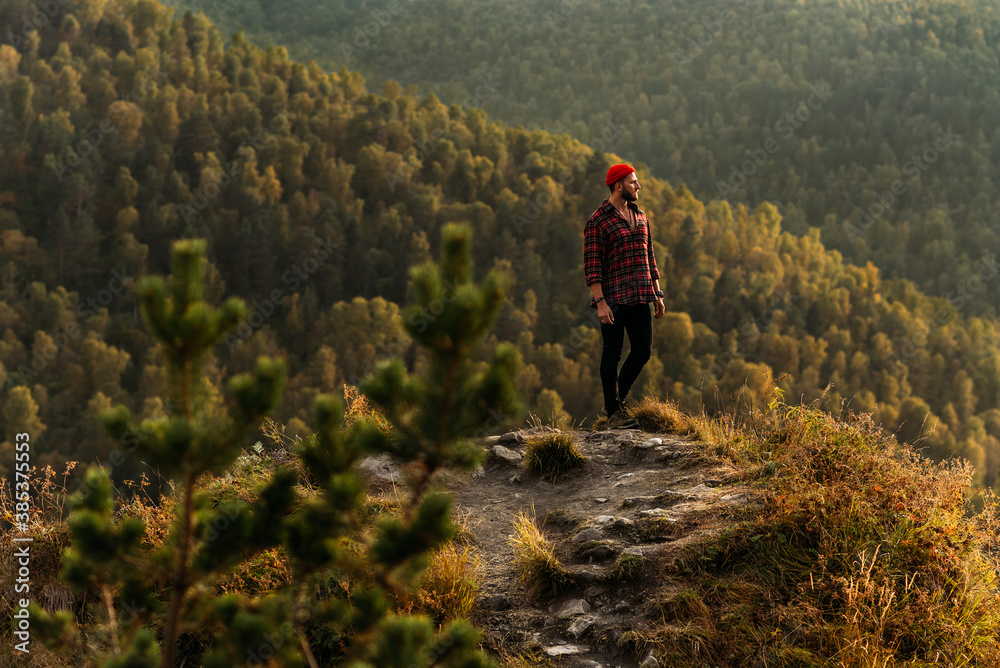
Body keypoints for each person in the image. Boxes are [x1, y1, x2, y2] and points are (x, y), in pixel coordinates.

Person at [584, 164, 665, 429]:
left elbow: (649, 256)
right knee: (611, 353)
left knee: (642, 351)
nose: (638, 186)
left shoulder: (641, 217)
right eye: (633, 182)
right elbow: (592, 266)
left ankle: (615, 400)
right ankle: (614, 414)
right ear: (619, 185)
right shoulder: (598, 221)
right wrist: (600, 302)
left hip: (642, 294)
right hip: (614, 300)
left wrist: (657, 293)